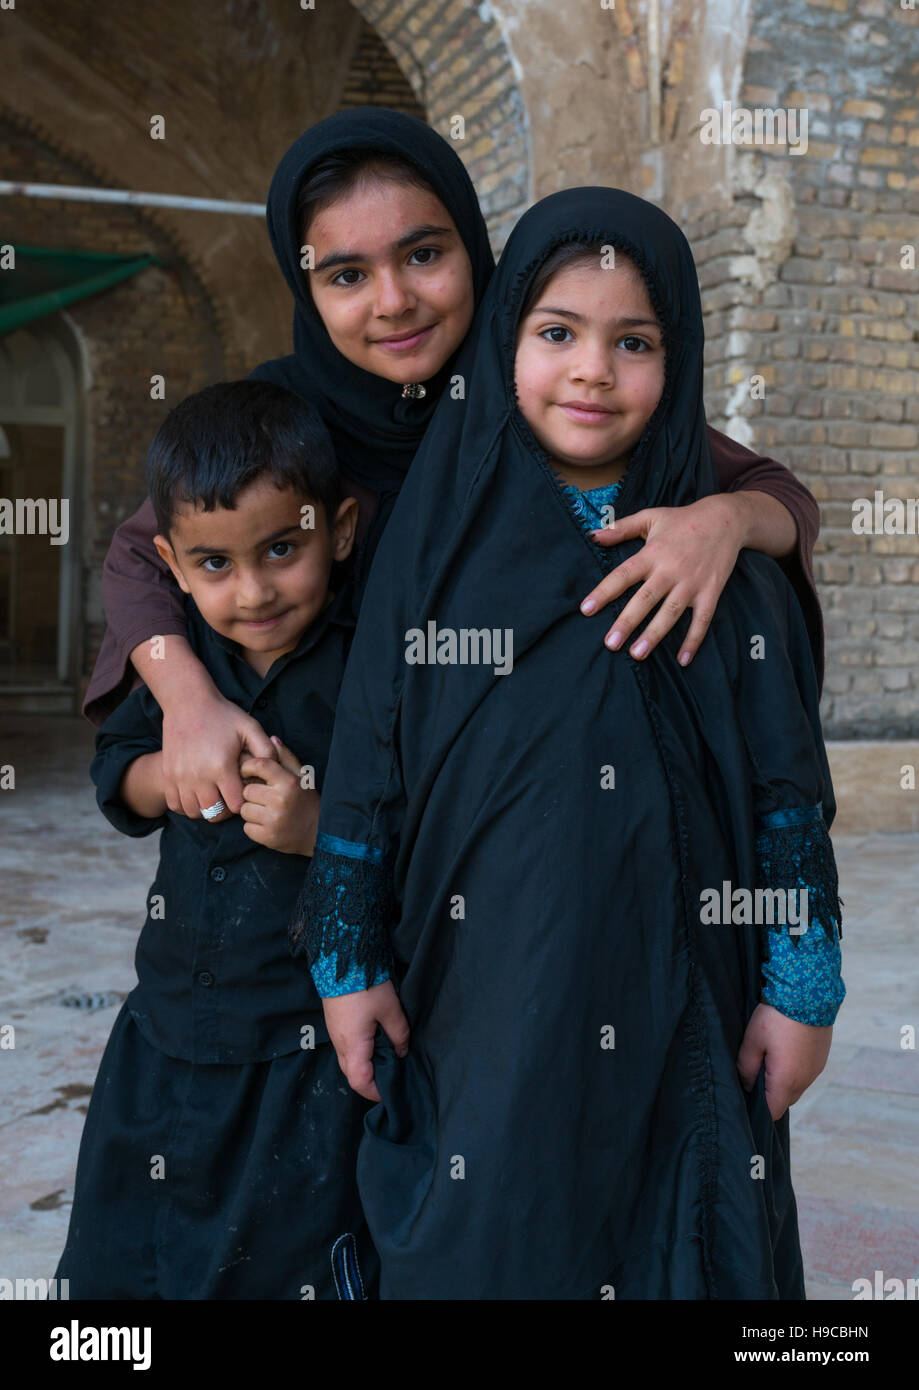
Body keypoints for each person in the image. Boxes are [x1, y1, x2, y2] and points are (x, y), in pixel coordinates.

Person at [292, 187, 846, 1300]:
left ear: (675, 362)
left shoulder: (723, 571)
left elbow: (788, 798)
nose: (591, 370)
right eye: (556, 334)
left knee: (680, 1226)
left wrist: (803, 988)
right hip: (480, 990)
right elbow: (365, 770)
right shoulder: (436, 547)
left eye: (632, 342)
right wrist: (347, 967)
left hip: (683, 978)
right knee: (490, 1218)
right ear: (505, 346)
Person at [81, 111, 825, 841]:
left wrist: (721, 522)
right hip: (337, 826)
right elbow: (144, 553)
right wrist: (187, 703)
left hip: (515, 826)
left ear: (473, 246)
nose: (394, 300)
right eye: (346, 275)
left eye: (424, 256)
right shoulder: (282, 424)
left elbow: (775, 493)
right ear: (303, 287)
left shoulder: (537, 391)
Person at [54, 380, 384, 1299]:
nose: (253, 591)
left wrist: (317, 826)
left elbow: (430, 828)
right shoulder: (184, 671)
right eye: (214, 566)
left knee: (279, 1268)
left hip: (304, 1050)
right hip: (165, 1031)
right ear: (170, 560)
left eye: (283, 549)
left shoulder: (370, 670)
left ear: (341, 531)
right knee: (121, 1271)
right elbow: (115, 775)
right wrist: (176, 771)